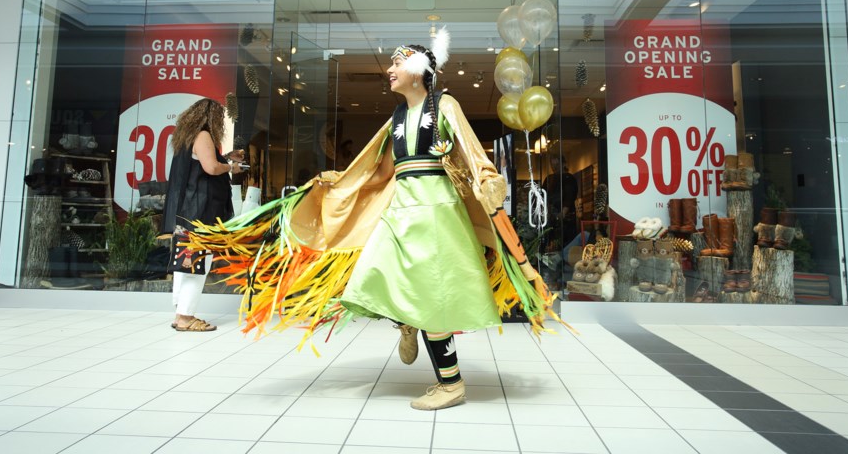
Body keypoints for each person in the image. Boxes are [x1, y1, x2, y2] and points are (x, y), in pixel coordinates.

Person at [182, 29, 557, 410]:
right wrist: (338, 182)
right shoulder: (397, 116)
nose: (390, 69)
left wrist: (490, 181)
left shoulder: (443, 105)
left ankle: (451, 384)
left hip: (435, 213)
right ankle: (409, 322)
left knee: (434, 296)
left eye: (397, 63)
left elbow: (472, 153)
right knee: (376, 276)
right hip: (399, 211)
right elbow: (381, 173)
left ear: (418, 69)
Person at [161, 98, 244, 332]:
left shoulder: (186, 137)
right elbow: (210, 168)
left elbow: (200, 164)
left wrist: (226, 156)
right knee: (196, 265)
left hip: (186, 212)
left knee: (185, 262)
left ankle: (180, 313)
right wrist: (230, 167)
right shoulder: (203, 135)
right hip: (199, 214)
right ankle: (186, 318)